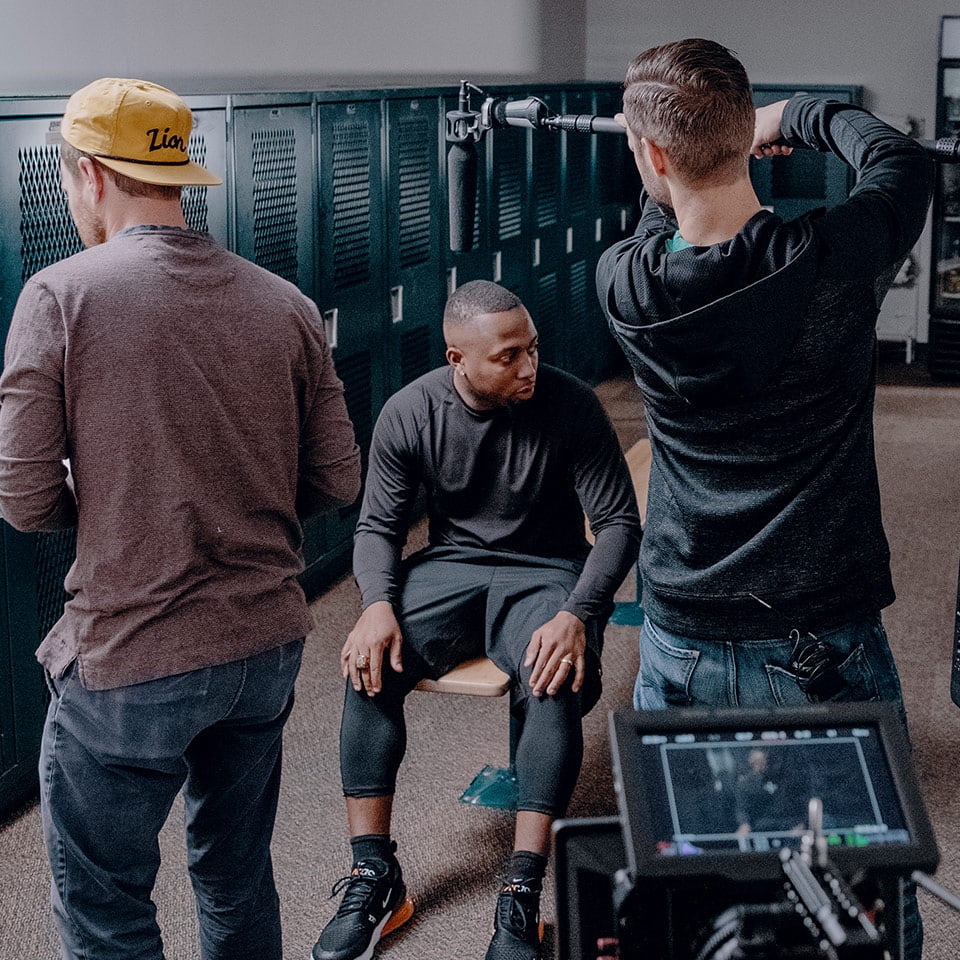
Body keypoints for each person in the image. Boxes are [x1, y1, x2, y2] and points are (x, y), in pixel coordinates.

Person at [0, 78, 361, 960]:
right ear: (179, 176)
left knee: (107, 904)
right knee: (234, 875)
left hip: (134, 653)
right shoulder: (284, 302)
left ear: (87, 174)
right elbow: (338, 478)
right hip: (263, 646)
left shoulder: (60, 295)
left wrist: (120, 507)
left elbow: (21, 495)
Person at [595, 38, 934, 958]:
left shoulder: (623, 280)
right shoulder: (835, 259)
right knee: (863, 882)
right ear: (746, 135)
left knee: (691, 877)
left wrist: (669, 160)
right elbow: (900, 161)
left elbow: (656, 217)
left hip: (683, 630)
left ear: (652, 155)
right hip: (820, 628)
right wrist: (797, 117)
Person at [310, 279, 642, 960]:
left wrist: (580, 610)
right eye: (508, 356)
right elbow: (377, 526)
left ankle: (520, 891)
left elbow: (616, 523)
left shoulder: (570, 403)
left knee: (551, 674)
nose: (528, 368)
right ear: (457, 358)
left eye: (534, 349)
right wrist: (375, 606)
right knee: (368, 663)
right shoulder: (412, 412)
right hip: (452, 565)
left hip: (548, 569)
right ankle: (374, 875)